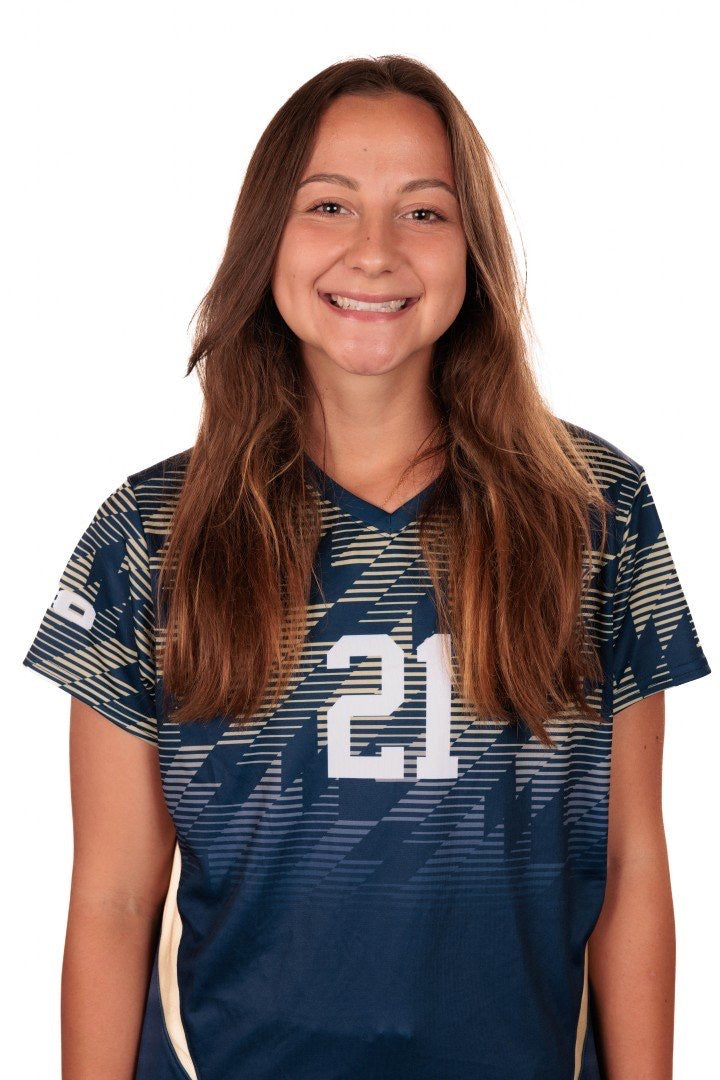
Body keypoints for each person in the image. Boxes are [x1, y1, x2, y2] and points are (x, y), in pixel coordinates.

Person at [22, 55, 711, 1080]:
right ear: (267, 237)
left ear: (475, 249)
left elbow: (629, 861)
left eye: (424, 212)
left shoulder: (594, 511)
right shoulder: (152, 531)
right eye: (330, 205)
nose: (376, 252)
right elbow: (115, 898)